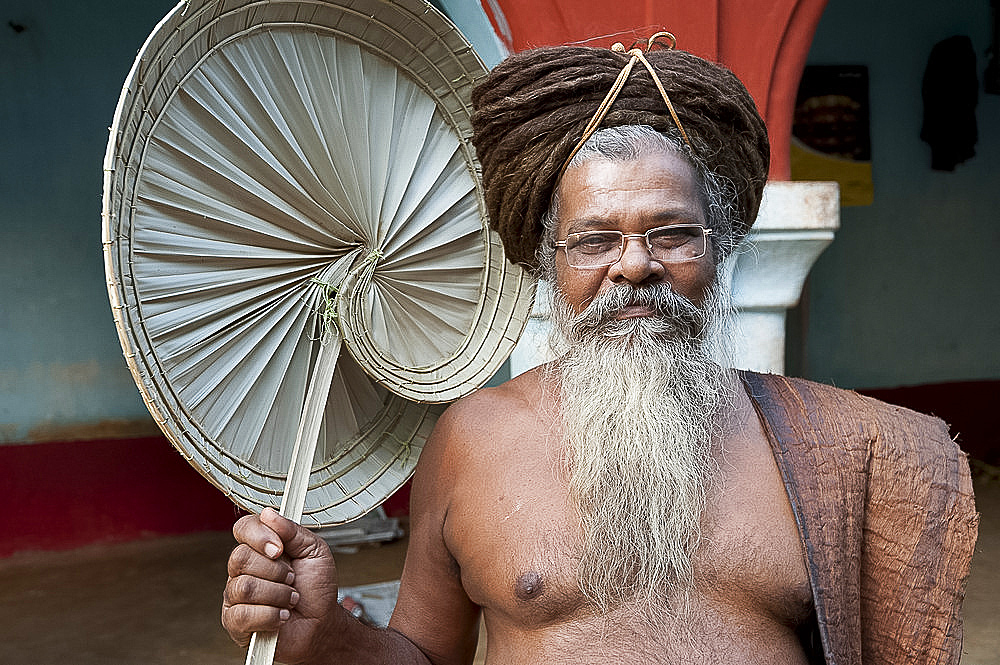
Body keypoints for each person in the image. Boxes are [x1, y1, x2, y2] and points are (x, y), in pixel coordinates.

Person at [222, 36, 978, 664]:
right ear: (549, 261)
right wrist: (322, 634)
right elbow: (424, 656)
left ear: (717, 253)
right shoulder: (472, 440)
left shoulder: (827, 452)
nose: (635, 264)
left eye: (673, 232)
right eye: (594, 240)